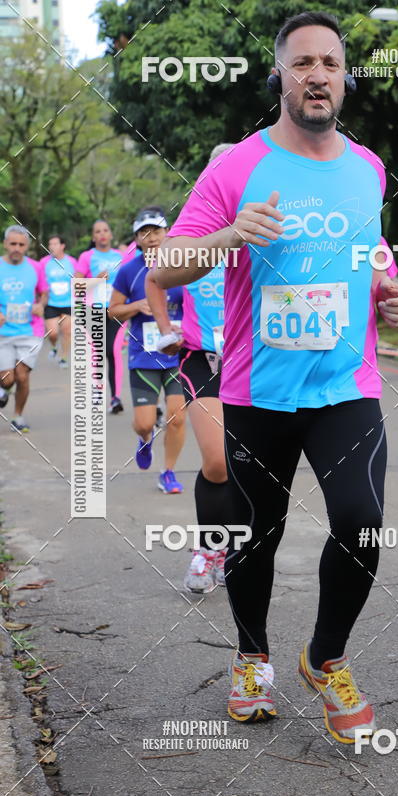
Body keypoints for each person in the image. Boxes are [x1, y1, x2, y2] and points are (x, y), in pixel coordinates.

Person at [152, 12, 398, 743]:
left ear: (344, 75)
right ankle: (251, 657)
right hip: (257, 391)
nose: (318, 74)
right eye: (303, 62)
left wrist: (392, 298)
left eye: (330, 62)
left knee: (361, 522)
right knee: (254, 537)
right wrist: (229, 236)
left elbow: (374, 260)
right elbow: (164, 267)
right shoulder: (235, 165)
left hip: (345, 387)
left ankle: (325, 658)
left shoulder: (367, 168)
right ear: (280, 75)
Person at [146, 143, 232, 594]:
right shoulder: (191, 236)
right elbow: (154, 279)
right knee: (217, 462)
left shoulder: (258, 228)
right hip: (203, 360)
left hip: (258, 362)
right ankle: (206, 548)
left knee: (250, 468)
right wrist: (165, 328)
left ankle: (234, 549)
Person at [110, 207, 186, 494]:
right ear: (137, 239)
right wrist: (136, 307)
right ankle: (145, 439)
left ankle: (168, 473)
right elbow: (112, 311)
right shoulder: (129, 271)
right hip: (143, 356)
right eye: (144, 232)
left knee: (177, 417)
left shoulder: (182, 264)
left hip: (178, 354)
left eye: (156, 231)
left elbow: (196, 304)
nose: (151, 237)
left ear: (167, 234)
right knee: (143, 424)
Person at [0, 226, 48, 431]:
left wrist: (40, 305)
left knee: (22, 375)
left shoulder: (36, 267)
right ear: (5, 244)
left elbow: (44, 292)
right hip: (3, 333)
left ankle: (18, 417)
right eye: (13, 244)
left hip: (30, 331)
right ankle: (3, 390)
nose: (17, 248)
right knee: (7, 378)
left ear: (27, 246)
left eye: (21, 244)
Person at [77, 220, 125, 413]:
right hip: (92, 310)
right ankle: (97, 391)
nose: (102, 234)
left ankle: (115, 398)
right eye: (98, 231)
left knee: (113, 351)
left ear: (111, 234)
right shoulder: (86, 257)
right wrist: (96, 279)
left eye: (106, 230)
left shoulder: (121, 257)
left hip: (116, 309)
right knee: (97, 352)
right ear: (93, 237)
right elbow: (78, 285)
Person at [39, 235, 79, 368]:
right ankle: (54, 346)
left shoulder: (72, 262)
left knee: (67, 332)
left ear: (62, 246)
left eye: (55, 244)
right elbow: (40, 282)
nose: (51, 247)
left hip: (68, 302)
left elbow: (78, 279)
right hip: (51, 303)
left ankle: (63, 358)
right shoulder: (44, 263)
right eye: (50, 244)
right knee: (53, 332)